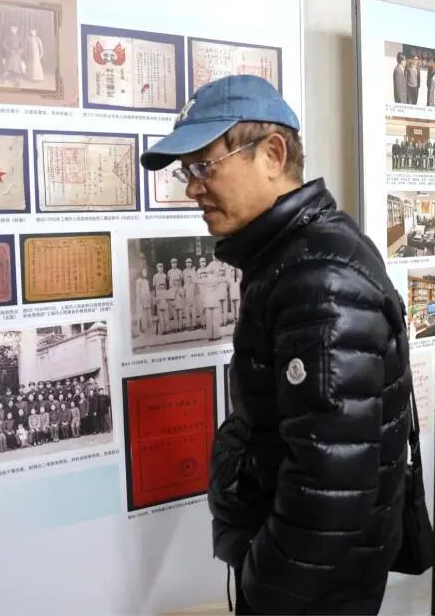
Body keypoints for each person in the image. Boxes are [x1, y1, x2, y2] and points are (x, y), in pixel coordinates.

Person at [140, 74, 412, 614]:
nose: (192, 187)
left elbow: (330, 485)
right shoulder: (294, 256)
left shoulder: (318, 278)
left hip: (311, 590)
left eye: (203, 167)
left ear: (272, 154)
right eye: (186, 171)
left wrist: (262, 587)